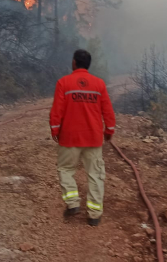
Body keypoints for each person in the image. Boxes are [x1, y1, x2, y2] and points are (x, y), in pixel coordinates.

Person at [49, 49, 116, 226]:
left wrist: (55, 130)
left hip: (69, 137)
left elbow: (57, 110)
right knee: (95, 175)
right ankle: (94, 215)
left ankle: (72, 203)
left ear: (74, 63)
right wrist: (109, 130)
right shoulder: (99, 84)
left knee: (65, 170)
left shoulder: (64, 83)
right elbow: (108, 110)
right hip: (93, 138)